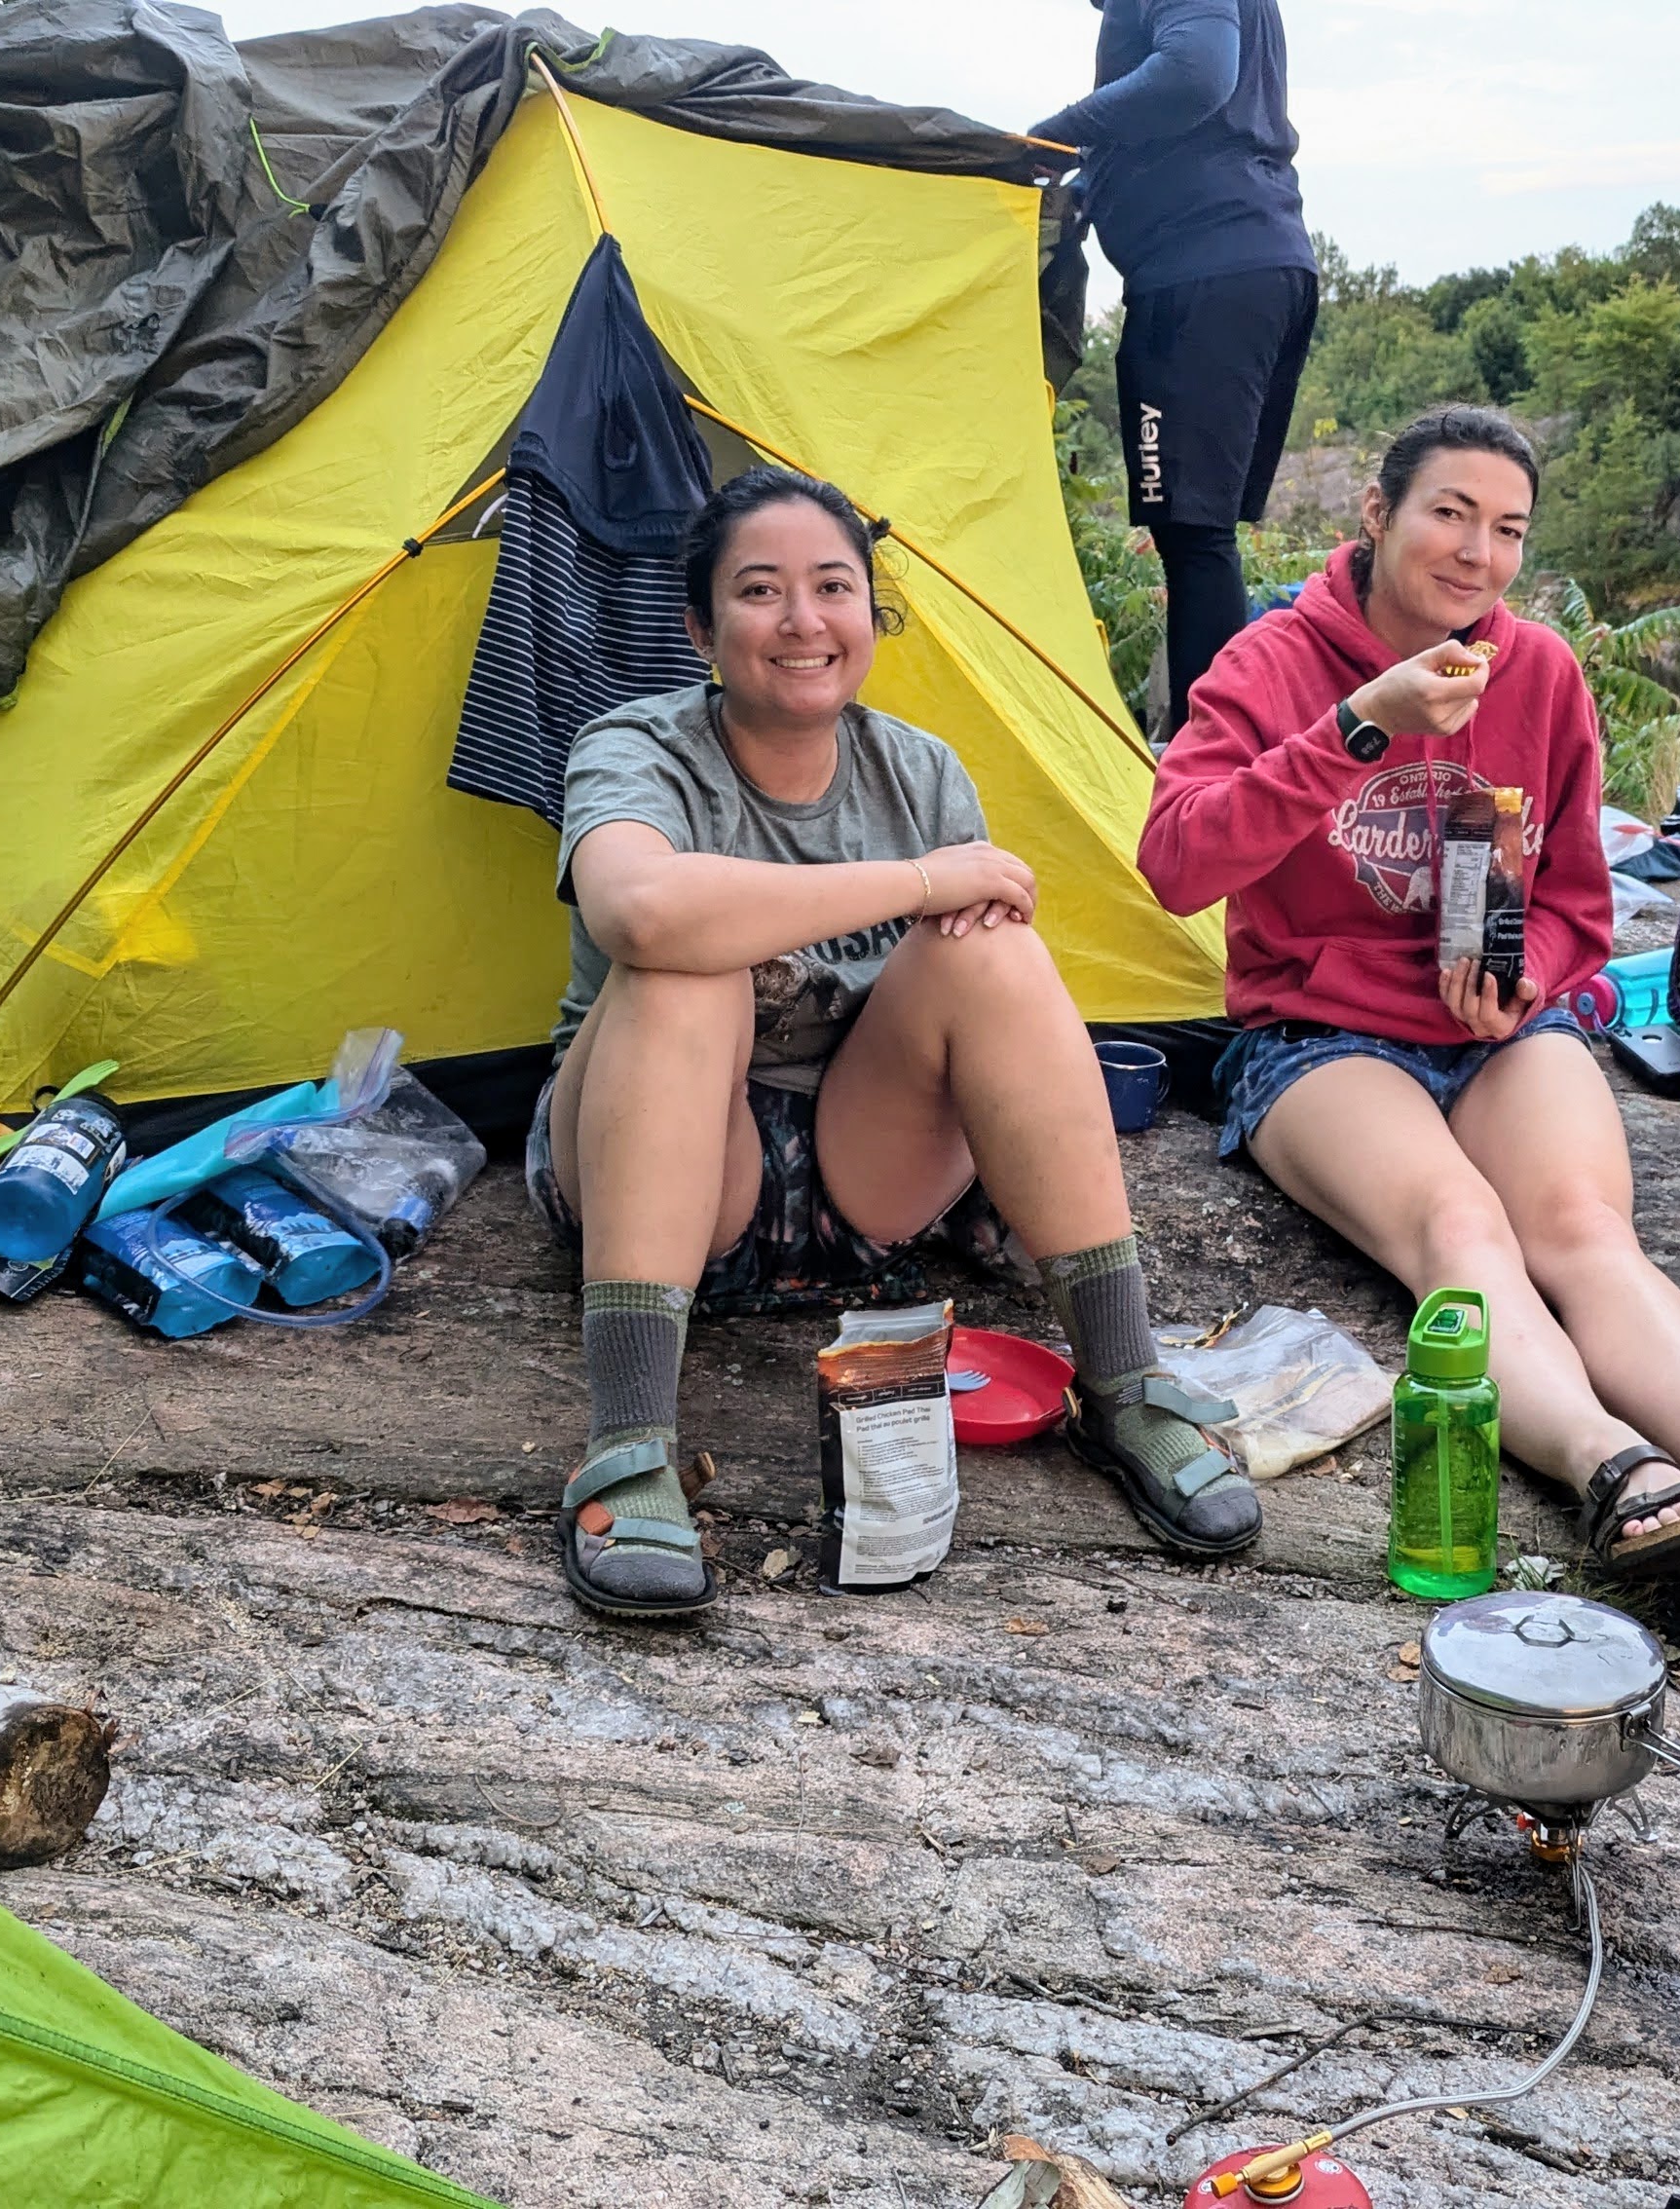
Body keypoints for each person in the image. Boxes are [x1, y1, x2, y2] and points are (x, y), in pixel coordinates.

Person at [1139, 406, 1680, 1578]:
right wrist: (1361, 726)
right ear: (1378, 514)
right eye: (1448, 513)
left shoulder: (1536, 672)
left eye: (1507, 529)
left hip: (1498, 1029)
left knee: (1584, 1228)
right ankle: (1615, 1471)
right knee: (1460, 1221)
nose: (1475, 553)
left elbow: (1581, 902)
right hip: (1317, 1037)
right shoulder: (1273, 662)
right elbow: (1178, 862)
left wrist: (1527, 970)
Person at [530, 468, 1247, 1620]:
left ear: (871, 613)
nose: (804, 621)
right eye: (760, 592)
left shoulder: (917, 771)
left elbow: (978, 991)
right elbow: (640, 911)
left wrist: (944, 901)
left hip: (867, 1171)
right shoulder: (635, 746)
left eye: (833, 588)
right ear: (699, 628)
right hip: (665, 1165)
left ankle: (1124, 1383)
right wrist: (918, 880)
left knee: (995, 955)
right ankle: (627, 1444)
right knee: (683, 969)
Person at [1030, 0, 1315, 744]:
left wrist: (1052, 136)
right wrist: (1092, 178)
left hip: (1203, 275)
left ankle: (1205, 761)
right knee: (1202, 534)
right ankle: (1216, 750)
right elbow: (1185, 118)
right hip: (1257, 259)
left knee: (1193, 536)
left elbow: (1193, 76)